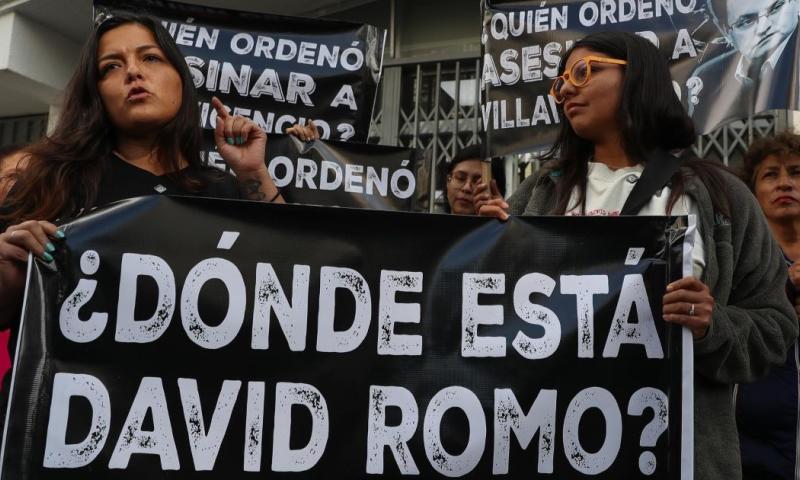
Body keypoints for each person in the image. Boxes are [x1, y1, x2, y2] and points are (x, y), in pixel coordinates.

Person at [475, 31, 797, 479]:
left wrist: (711, 326)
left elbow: (775, 327)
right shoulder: (536, 196)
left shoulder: (722, 199)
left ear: (638, 77)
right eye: (560, 81)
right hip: (550, 453)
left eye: (584, 72)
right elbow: (488, 330)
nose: (566, 88)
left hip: (678, 459)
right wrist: (480, 247)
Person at [737, 132, 800, 479]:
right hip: (757, 451)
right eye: (770, 175)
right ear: (752, 193)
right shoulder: (740, 267)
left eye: (796, 172)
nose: (785, 183)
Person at [688, 0, 800, 130]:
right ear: (724, 30)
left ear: (797, 3)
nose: (764, 27)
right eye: (747, 22)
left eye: (775, 9)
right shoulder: (708, 77)